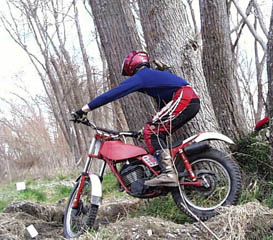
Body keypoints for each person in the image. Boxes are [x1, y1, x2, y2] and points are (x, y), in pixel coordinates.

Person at [72, 50, 200, 187]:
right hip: (187, 99)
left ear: (133, 65)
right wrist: (143, 131)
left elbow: (113, 94)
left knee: (152, 132)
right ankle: (171, 169)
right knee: (152, 131)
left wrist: (84, 109)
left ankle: (168, 173)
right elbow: (163, 108)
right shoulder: (152, 76)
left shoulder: (142, 76)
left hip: (185, 98)